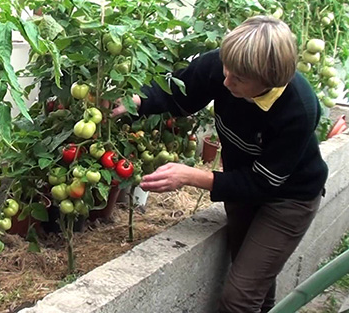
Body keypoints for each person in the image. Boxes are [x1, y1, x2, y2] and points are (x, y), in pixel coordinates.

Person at [113, 16, 328, 313]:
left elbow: (262, 183)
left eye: (238, 79)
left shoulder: (297, 110)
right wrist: (136, 100)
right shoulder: (226, 66)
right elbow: (181, 93)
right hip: (241, 187)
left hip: (288, 199)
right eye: (227, 70)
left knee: (239, 298)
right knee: (253, 283)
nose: (226, 82)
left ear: (269, 79)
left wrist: (190, 176)